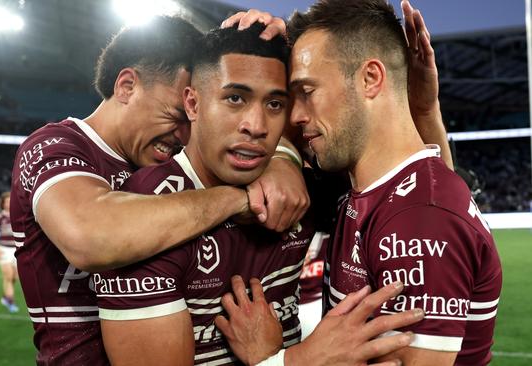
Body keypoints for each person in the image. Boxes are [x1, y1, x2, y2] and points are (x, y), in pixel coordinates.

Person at [94, 23, 424, 366]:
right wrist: (289, 361)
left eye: (275, 104)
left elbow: (426, 201)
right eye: (235, 98)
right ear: (192, 103)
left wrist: (427, 110)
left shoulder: (301, 193)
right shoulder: (146, 212)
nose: (256, 125)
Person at [10, 15, 310, 365]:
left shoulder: (154, 159)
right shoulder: (55, 146)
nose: (186, 133)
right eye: (176, 116)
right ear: (126, 86)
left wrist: (282, 160)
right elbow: (89, 234)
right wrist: (237, 197)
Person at [219, 1, 502, 365]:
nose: (298, 115)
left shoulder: (420, 220)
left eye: (307, 91)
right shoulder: (372, 190)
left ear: (370, 79)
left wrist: (274, 360)